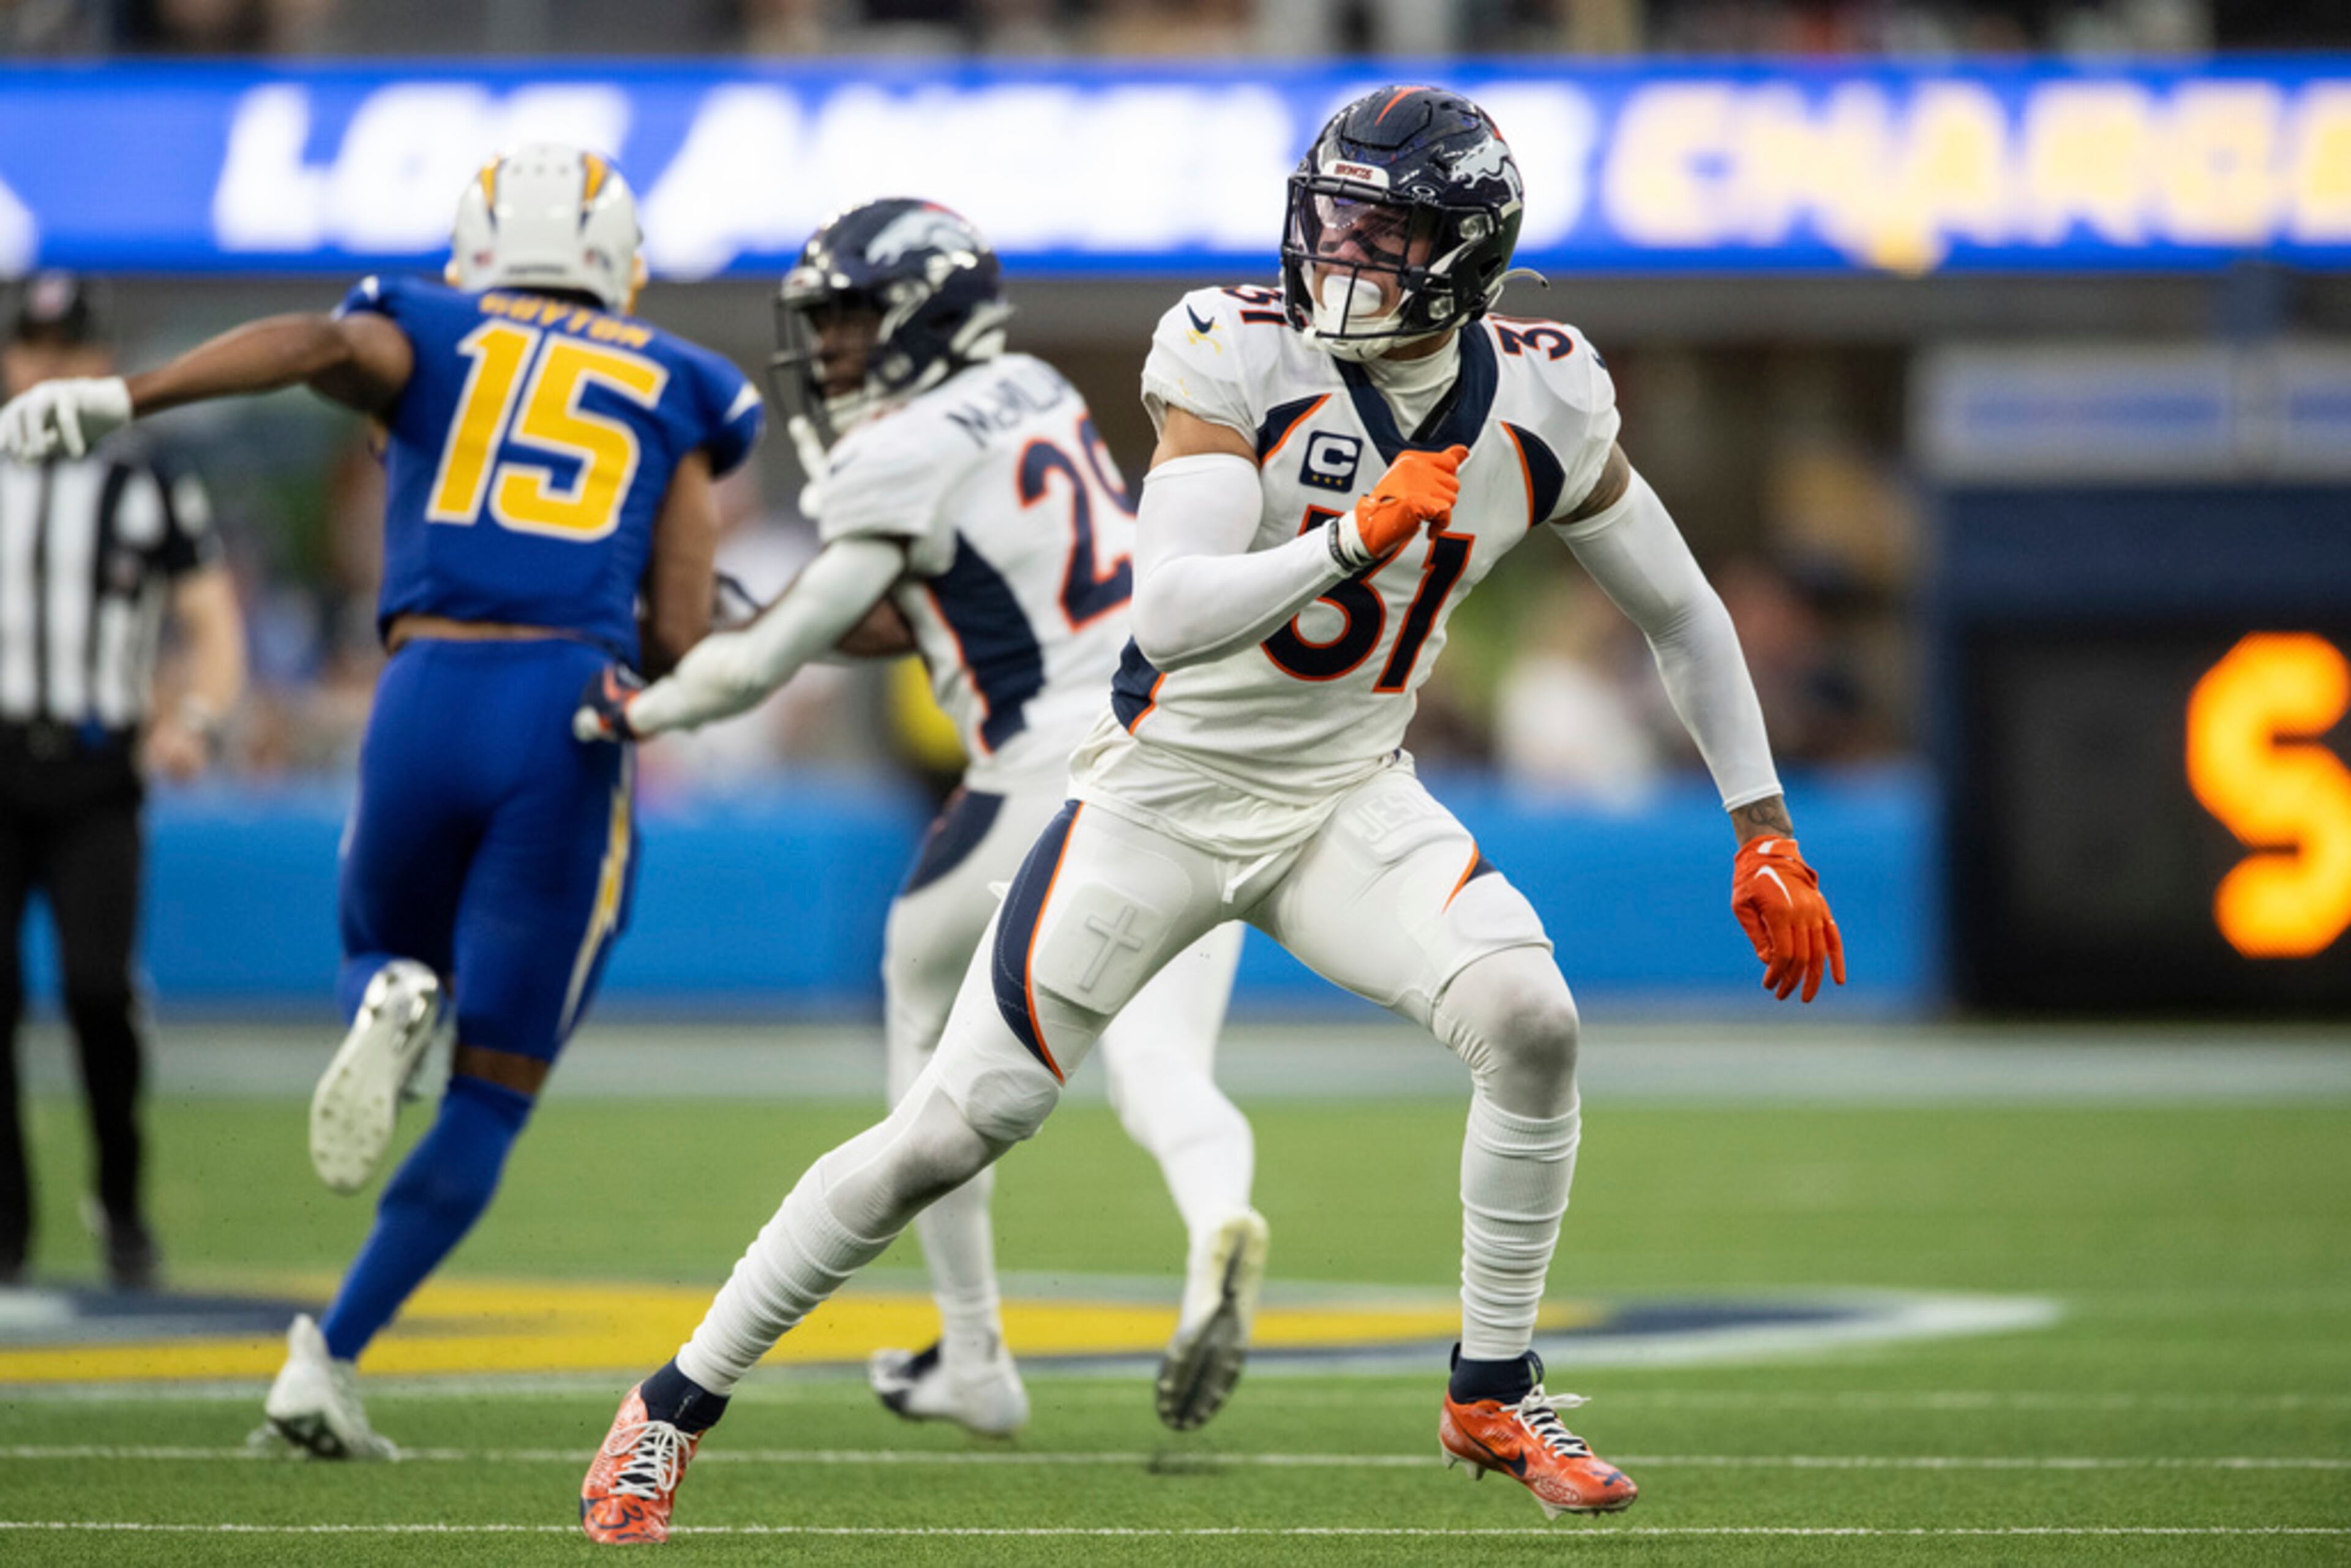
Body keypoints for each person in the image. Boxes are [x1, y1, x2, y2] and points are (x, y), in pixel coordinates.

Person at [577, 88, 1844, 1543]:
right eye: (1335, 213)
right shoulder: (1235, 346)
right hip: (1163, 795)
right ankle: (670, 1404)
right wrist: (1353, 535)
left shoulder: (1549, 396)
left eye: (1389, 227)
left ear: (1471, 253)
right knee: (953, 1128)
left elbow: (1682, 611)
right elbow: (1167, 610)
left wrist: (1761, 821)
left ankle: (1492, 1384)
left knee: (1533, 1020)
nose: (1344, 251)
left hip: (1345, 794)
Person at [0, 144, 763, 1456]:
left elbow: (310, 341)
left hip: (420, 690)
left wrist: (129, 397)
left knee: (381, 945)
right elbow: (685, 629)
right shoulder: (680, 381)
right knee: (493, 1089)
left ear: (477, 250)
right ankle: (327, 1358)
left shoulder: (427, 321)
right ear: (618, 260)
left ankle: (380, 1001)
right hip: (564, 712)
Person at [576, 198, 1264, 1441]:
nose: (830, 345)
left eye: (850, 315)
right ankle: (1218, 1218)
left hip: (1044, 764)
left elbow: (757, 664)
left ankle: (975, 1348)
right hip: (1183, 743)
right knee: (1162, 1064)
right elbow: (949, 603)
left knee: (916, 983)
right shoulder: (1038, 388)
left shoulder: (905, 449)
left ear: (922, 312)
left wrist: (630, 714)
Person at [0, 272, 247, 1290]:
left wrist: (193, 717)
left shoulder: (148, 480)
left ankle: (123, 1197)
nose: (52, 370)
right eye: (35, 350)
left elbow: (213, 619)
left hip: (101, 764)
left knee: (101, 991)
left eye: (71, 352)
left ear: (99, 361)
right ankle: (7, 1223)